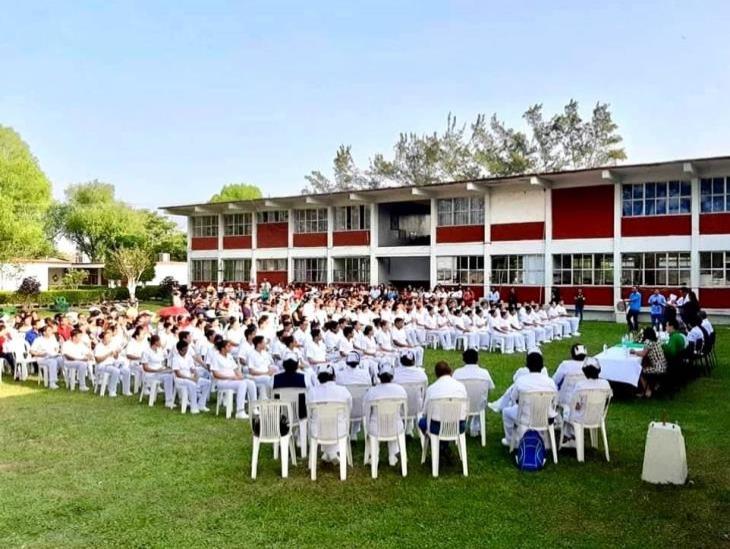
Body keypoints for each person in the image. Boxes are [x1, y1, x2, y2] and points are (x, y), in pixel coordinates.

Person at [499, 352, 557, 446]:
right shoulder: (550, 382)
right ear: (542, 366)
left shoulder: (521, 381)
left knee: (506, 412)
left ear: (527, 366)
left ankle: (510, 440)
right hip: (546, 417)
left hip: (525, 417)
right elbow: (554, 400)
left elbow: (514, 399)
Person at [419, 361, 468, 459]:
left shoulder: (432, 389)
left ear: (436, 374)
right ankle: (443, 446)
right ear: (450, 371)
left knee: (422, 422)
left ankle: (438, 445)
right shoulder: (461, 387)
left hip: (437, 427)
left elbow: (425, 412)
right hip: (458, 425)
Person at [362, 361, 408, 466]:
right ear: (392, 377)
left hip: (375, 427)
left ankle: (375, 456)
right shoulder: (400, 390)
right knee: (394, 420)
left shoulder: (371, 392)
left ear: (379, 376)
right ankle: (393, 454)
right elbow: (403, 411)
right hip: (396, 427)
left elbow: (366, 411)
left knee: (384, 420)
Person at [307, 363, 353, 463]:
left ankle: (329, 453)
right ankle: (331, 453)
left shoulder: (312, 392)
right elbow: (349, 409)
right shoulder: (343, 391)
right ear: (334, 376)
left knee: (322, 422)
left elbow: (309, 413)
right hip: (339, 429)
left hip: (317, 430)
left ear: (318, 378)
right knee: (335, 422)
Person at [560, 357, 612, 445]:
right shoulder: (606, 383)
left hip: (581, 418)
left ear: (584, 372)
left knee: (567, 410)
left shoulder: (581, 385)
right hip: (598, 416)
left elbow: (574, 403)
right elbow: (607, 400)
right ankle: (572, 435)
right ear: (599, 370)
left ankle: (569, 435)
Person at [452, 348, 494, 438]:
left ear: (463, 359)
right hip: (479, 406)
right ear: (477, 359)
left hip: (461, 406)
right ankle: (476, 426)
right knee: (482, 397)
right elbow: (490, 388)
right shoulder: (484, 373)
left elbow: (452, 390)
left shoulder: (457, 373)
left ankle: (471, 426)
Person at [210, 339, 257, 419]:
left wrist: (240, 376)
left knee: (250, 382)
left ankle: (254, 407)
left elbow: (236, 370)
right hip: (222, 382)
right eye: (228, 346)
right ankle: (240, 411)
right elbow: (215, 374)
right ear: (222, 348)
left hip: (233, 380)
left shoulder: (229, 357)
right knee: (242, 384)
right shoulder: (216, 357)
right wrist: (231, 377)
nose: (231, 348)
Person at [171, 340, 211, 414]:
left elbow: (192, 368)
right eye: (184, 350)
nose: (186, 351)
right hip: (180, 379)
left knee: (207, 383)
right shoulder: (175, 359)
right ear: (179, 350)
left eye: (186, 349)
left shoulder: (188, 357)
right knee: (191, 384)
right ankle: (194, 407)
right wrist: (190, 379)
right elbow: (178, 374)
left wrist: (196, 375)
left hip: (190, 377)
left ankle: (201, 404)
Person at [631, 327, 667, 398]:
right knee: (644, 365)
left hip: (658, 368)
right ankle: (655, 386)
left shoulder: (648, 342)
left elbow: (643, 354)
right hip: (663, 366)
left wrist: (634, 352)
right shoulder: (657, 341)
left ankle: (646, 390)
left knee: (639, 371)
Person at [94, 329, 132, 397]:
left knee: (127, 370)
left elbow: (115, 357)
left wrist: (117, 353)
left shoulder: (112, 345)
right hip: (103, 365)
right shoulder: (99, 346)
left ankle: (126, 390)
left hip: (114, 364)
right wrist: (108, 354)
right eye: (107, 338)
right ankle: (111, 390)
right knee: (116, 371)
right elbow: (97, 360)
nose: (109, 339)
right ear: (103, 338)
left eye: (110, 338)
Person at [141, 335, 176, 409]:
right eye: (159, 341)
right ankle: (168, 401)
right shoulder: (146, 352)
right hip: (151, 374)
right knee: (168, 377)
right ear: (156, 342)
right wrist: (156, 370)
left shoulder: (159, 350)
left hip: (159, 372)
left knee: (173, 373)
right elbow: (145, 368)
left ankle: (177, 398)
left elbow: (161, 363)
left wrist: (165, 369)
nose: (161, 343)